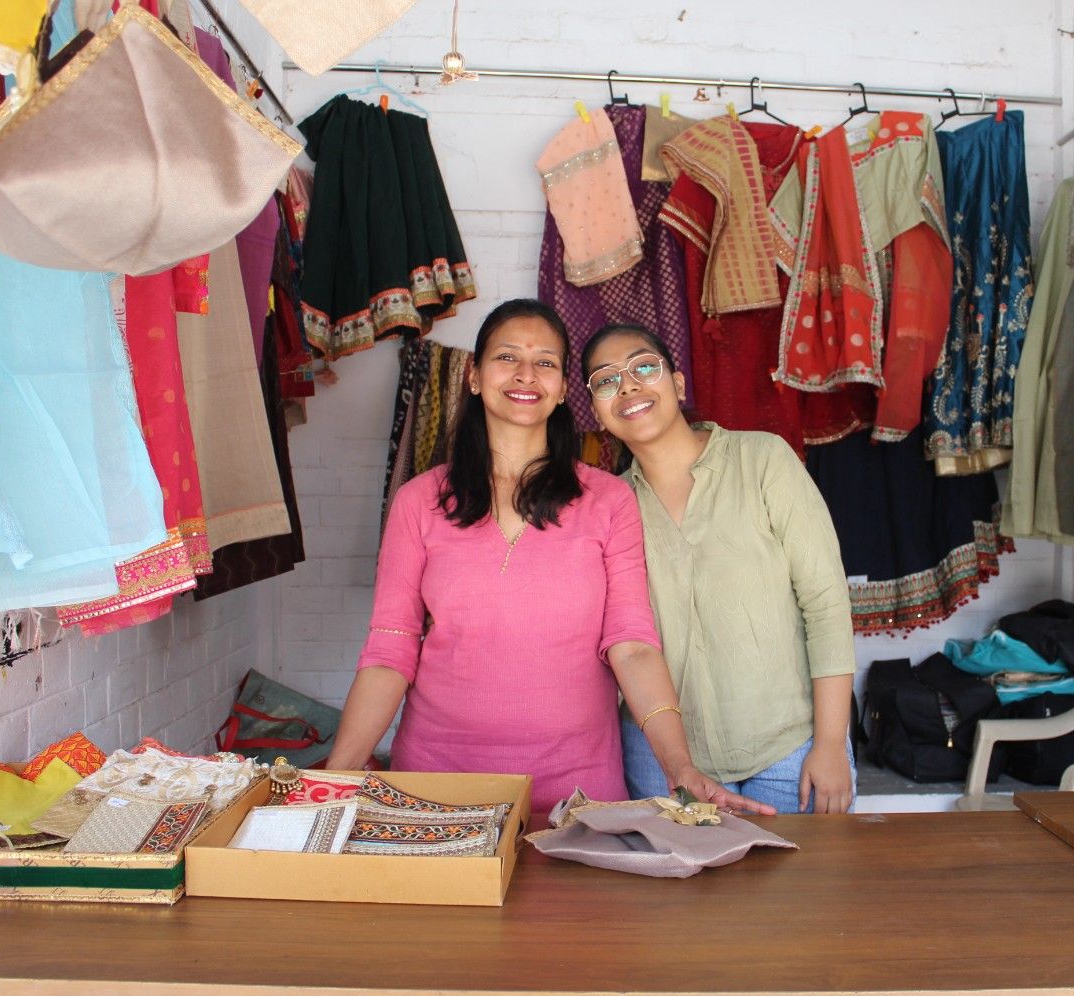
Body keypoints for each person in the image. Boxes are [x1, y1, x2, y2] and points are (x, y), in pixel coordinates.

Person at [327, 300, 772, 816]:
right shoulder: (419, 501)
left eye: (545, 362)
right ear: (474, 376)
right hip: (436, 783)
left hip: (578, 792)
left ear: (562, 389)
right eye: (507, 357)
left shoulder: (608, 501)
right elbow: (390, 651)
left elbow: (631, 645)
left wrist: (680, 769)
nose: (526, 374)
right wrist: (332, 780)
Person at [582, 322, 858, 813]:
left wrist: (832, 744)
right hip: (664, 762)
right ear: (596, 411)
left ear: (679, 384)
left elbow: (826, 603)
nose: (627, 386)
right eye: (606, 380)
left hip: (790, 753)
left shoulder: (762, 459)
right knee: (678, 869)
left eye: (644, 367)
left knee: (808, 868)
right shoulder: (608, 505)